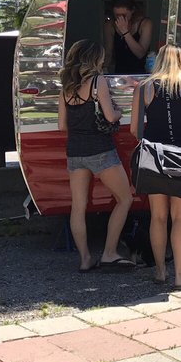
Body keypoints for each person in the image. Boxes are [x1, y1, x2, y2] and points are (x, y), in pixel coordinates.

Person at [130, 44, 181, 287]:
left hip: (154, 159)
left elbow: (135, 129)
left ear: (158, 63)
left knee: (158, 217)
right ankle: (180, 275)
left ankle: (159, 272)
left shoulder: (143, 87)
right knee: (180, 218)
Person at [57, 39, 135, 272]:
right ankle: (110, 253)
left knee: (78, 207)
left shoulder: (66, 87)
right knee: (125, 199)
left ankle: (84, 259)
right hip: (100, 150)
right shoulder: (97, 81)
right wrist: (121, 110)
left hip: (75, 152)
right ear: (94, 59)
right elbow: (110, 117)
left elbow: (62, 125)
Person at [103, 0, 153, 74]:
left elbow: (141, 54)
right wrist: (103, 69)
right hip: (119, 73)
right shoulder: (110, 25)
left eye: (123, 15)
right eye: (117, 16)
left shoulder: (145, 23)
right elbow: (108, 53)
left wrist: (125, 32)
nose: (120, 19)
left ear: (132, 10)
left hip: (140, 73)